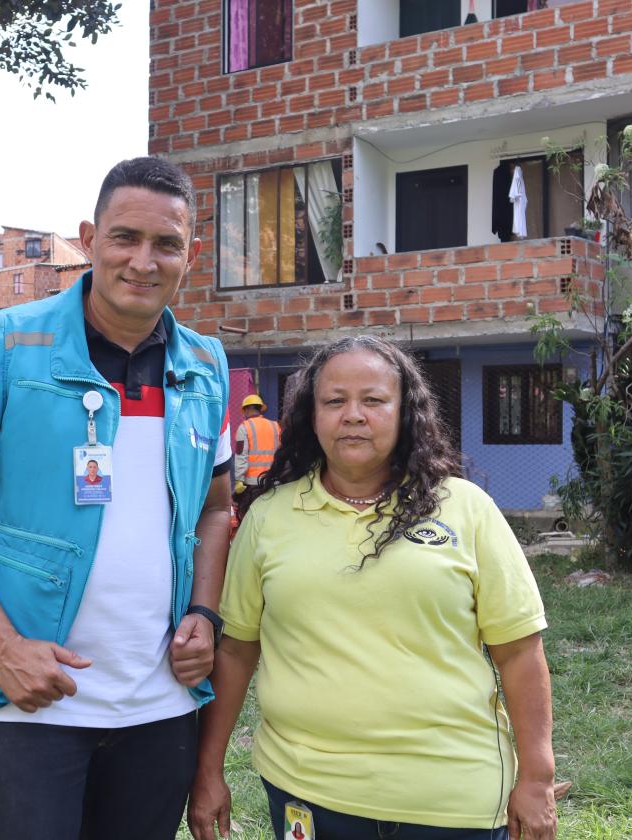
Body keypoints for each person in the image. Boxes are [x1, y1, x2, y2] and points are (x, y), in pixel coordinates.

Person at [0, 157, 234, 839]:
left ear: (191, 255)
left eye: (166, 244)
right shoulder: (0, 344)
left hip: (160, 707)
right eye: (124, 238)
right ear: (89, 238)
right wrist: (1, 648)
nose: (143, 261)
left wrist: (203, 610)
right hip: (28, 702)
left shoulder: (205, 367)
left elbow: (214, 506)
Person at [188, 336, 556, 840]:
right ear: (311, 416)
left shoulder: (465, 509)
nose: (353, 415)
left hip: (452, 798)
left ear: (405, 412)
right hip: (308, 790)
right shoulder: (270, 517)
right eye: (334, 401)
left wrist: (537, 777)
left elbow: (519, 651)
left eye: (374, 400)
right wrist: (208, 771)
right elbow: (235, 652)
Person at [233, 394, 281, 516]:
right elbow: (281, 452)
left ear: (247, 409)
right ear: (260, 409)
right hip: (273, 480)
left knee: (252, 517)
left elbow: (241, 455)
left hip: (253, 484)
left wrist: (239, 479)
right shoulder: (275, 426)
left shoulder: (244, 427)